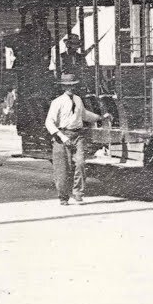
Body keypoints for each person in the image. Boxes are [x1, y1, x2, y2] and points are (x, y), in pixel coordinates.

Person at [44, 73, 111, 205]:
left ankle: (78, 193)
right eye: (68, 86)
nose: (70, 88)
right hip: (61, 137)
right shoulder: (57, 102)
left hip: (77, 135)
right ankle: (63, 197)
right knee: (62, 169)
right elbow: (49, 122)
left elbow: (84, 115)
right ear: (63, 86)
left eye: (73, 86)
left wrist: (101, 117)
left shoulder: (78, 100)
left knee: (80, 163)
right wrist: (62, 137)